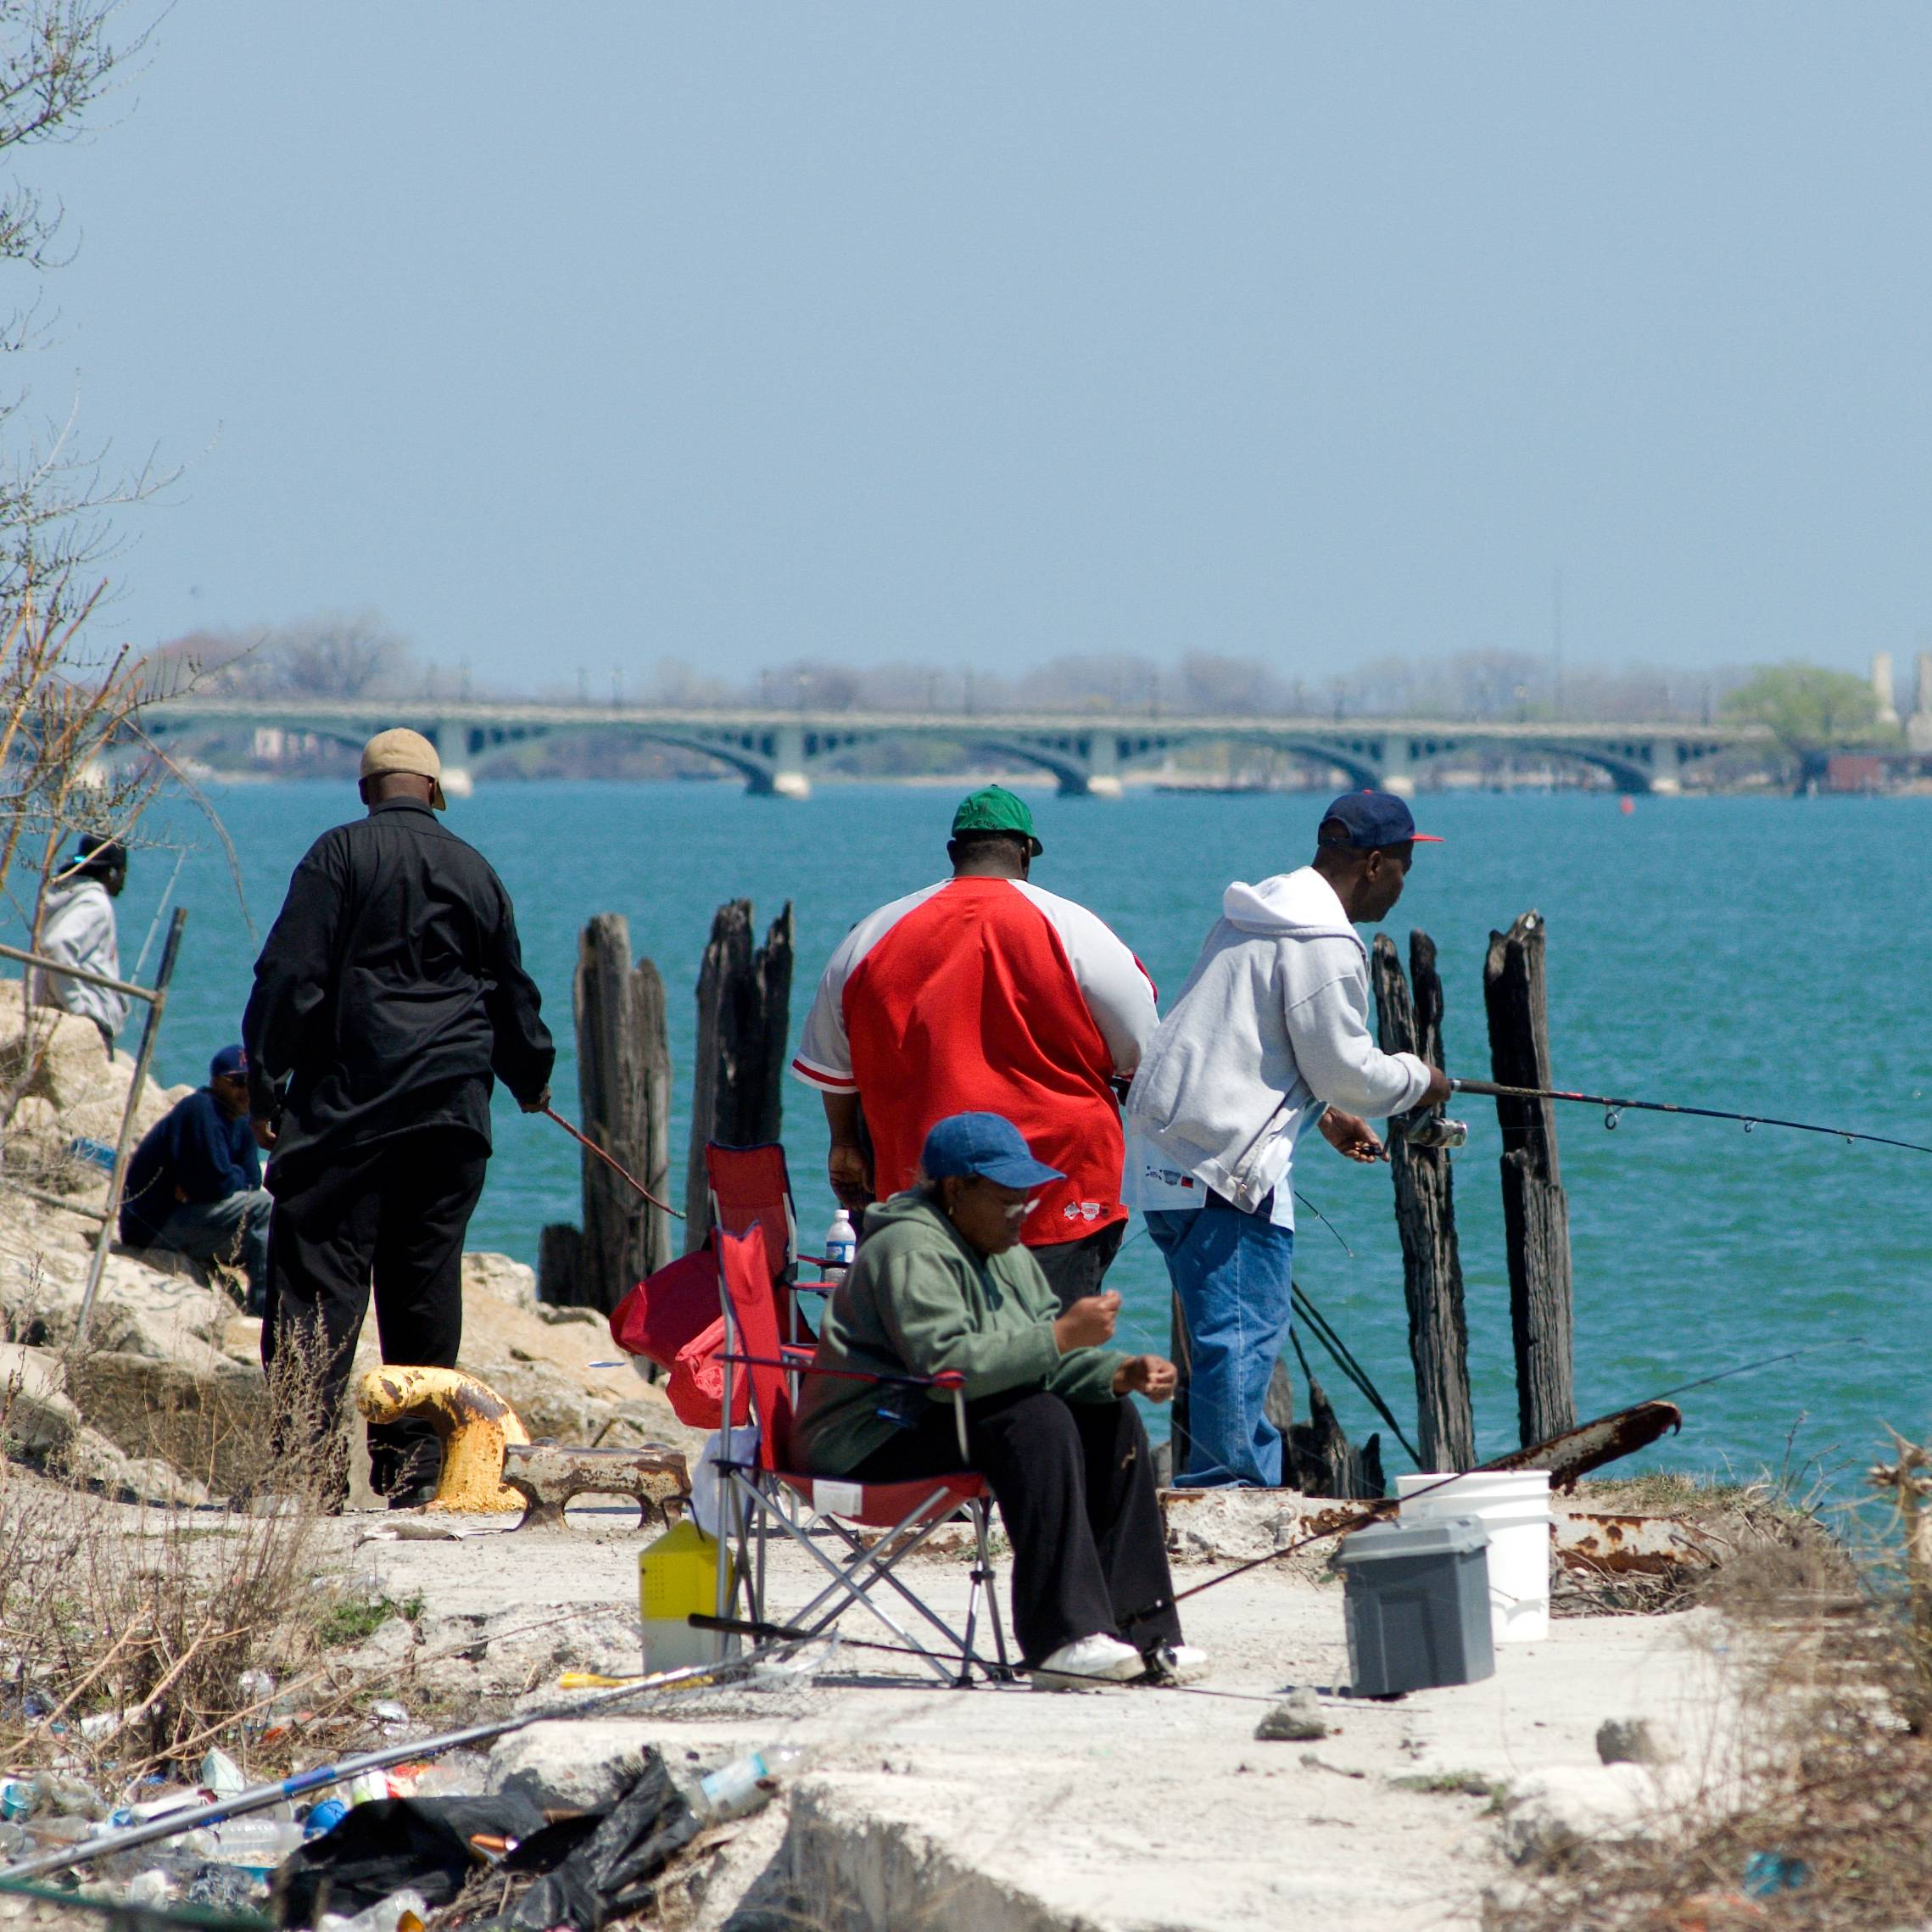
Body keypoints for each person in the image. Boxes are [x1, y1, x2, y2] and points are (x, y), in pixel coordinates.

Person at [243, 728, 554, 1505]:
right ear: (436, 792)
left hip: (350, 1111)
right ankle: (416, 1472)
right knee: (423, 1290)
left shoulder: (338, 855)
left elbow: (291, 975)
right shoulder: (475, 870)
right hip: (451, 1117)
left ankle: (304, 1480)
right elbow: (510, 989)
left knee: (318, 1288)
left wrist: (266, 1078)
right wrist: (530, 1079)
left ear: (365, 792)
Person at [791, 1112, 1204, 1688]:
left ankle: (1142, 1633)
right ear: (956, 1190)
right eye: (1011, 1200)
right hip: (869, 1439)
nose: (1023, 1214)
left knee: (1108, 1416)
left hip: (939, 1419)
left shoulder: (1005, 1251)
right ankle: (1061, 1640)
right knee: (1034, 1419)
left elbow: (1036, 1357)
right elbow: (944, 1369)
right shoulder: (910, 1249)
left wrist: (1121, 1372)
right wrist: (1062, 1335)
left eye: (1029, 1200)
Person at [1125, 790, 1453, 1488]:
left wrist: (1324, 1112)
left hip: (1164, 1152)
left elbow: (1242, 1040)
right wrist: (1420, 1078)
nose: (1402, 885)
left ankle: (1224, 1476)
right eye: (1402, 867)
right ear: (1372, 863)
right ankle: (1228, 1487)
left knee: (1220, 1336)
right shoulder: (1326, 942)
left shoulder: (1254, 916)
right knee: (1240, 1336)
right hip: (1223, 1165)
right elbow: (1348, 1067)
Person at [791, 785, 1157, 1309]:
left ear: (952, 851)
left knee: (936, 1365)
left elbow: (832, 1067)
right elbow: (1145, 1055)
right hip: (1059, 1190)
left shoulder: (872, 935)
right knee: (1053, 1357)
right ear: (1026, 852)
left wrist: (844, 1142)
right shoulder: (1080, 931)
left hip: (925, 1200)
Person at [119, 1045, 273, 1313]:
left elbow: (249, 1179)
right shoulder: (201, 1110)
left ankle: (271, 1311)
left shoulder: (242, 1121)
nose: (246, 1091)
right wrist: (224, 1178)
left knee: (275, 1230)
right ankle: (261, 1312)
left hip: (190, 1214)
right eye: (238, 1082)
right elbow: (212, 1185)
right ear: (216, 1082)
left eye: (253, 1083)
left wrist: (226, 1176)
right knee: (264, 1207)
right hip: (153, 1222)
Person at [31, 836, 128, 1057]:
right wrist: (79, 1008)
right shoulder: (95, 903)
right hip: (86, 1019)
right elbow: (57, 945)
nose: (123, 881)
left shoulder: (60, 895)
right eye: (123, 872)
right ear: (111, 872)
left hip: (50, 1010)